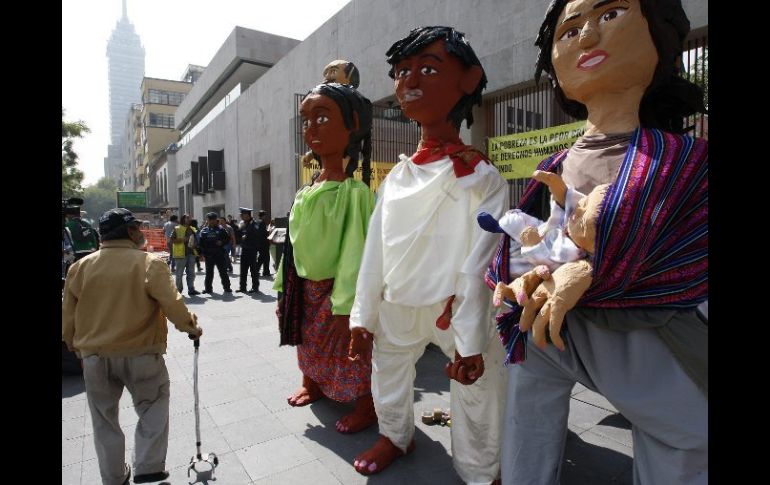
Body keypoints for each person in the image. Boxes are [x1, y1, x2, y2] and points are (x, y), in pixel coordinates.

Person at [496, 1, 708, 483]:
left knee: (683, 439)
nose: (587, 37)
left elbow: (688, 250)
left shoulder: (688, 161)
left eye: (610, 15)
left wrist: (594, 271)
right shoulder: (555, 163)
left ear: (660, 37)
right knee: (524, 423)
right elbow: (525, 235)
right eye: (569, 31)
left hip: (652, 330)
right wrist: (524, 274)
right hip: (547, 323)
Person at [347, 27, 509, 483]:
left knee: (479, 386)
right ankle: (396, 434)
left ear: (469, 79)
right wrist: (363, 315)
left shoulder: (481, 176)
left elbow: (482, 260)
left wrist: (473, 336)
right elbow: (373, 250)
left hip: (453, 307)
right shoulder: (395, 176)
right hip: (397, 302)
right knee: (390, 373)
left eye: (428, 69)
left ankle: (481, 467)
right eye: (401, 72)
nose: (409, 80)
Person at [62, 208, 203, 485]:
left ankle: (114, 478)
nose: (141, 232)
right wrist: (191, 327)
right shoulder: (149, 263)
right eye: (137, 227)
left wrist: (75, 348)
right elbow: (172, 303)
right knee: (153, 404)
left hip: (95, 356)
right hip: (141, 354)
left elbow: (67, 317)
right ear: (130, 232)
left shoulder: (79, 268)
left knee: (104, 419)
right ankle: (148, 465)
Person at [274, 77, 377, 436]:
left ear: (353, 126)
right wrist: (282, 288)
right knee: (307, 342)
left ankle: (366, 405)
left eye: (322, 118)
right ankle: (312, 383)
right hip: (304, 287)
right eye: (306, 120)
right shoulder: (308, 189)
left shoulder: (355, 192)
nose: (311, 129)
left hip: (337, 289)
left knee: (349, 349)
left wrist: (344, 305)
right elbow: (293, 244)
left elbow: (356, 251)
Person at [197, 212, 233, 294]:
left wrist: (222, 242)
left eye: (214, 220)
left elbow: (227, 239)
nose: (212, 221)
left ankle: (227, 287)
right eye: (210, 220)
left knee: (223, 272)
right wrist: (200, 254)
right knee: (209, 273)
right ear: (207, 220)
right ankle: (208, 289)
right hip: (209, 255)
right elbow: (201, 244)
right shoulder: (204, 231)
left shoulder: (221, 229)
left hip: (219, 254)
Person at [171, 214, 200, 296]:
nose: (189, 219)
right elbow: (171, 240)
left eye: (190, 218)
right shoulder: (177, 228)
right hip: (180, 254)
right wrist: (182, 239)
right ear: (183, 219)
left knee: (191, 273)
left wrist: (195, 244)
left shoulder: (192, 228)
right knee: (179, 274)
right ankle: (178, 290)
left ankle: (191, 289)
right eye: (187, 218)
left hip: (191, 253)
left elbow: (197, 239)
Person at [237, 207, 262, 293]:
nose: (241, 216)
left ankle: (255, 287)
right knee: (243, 269)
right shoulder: (243, 223)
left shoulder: (254, 224)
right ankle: (242, 287)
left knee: (253, 269)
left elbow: (258, 235)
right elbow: (239, 234)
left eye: (242, 215)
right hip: (244, 249)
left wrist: (248, 236)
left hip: (252, 249)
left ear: (247, 215)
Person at [256, 209, 271, 276]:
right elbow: (262, 233)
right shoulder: (261, 222)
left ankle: (266, 271)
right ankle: (259, 271)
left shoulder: (257, 222)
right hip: (263, 243)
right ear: (263, 215)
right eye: (265, 215)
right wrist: (268, 232)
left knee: (264, 258)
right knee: (264, 258)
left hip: (259, 243)